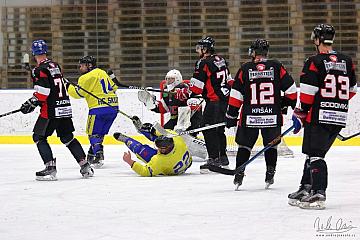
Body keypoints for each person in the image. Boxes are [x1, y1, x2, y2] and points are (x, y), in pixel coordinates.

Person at [288, 24, 357, 209]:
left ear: (317, 40)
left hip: (319, 116)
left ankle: (318, 193)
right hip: (339, 117)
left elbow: (309, 93)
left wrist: (300, 113)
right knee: (313, 153)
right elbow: (352, 90)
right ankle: (306, 187)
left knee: (316, 155)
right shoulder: (347, 60)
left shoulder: (314, 61)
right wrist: (336, 103)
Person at [225, 39, 297, 190]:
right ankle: (270, 173)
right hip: (272, 117)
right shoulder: (276, 66)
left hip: (249, 116)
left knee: (244, 146)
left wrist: (231, 116)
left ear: (253, 52)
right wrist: (283, 105)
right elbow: (291, 91)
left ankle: (239, 174)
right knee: (271, 146)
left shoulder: (245, 68)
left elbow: (236, 95)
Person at [20, 39, 94, 181]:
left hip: (51, 109)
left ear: (33, 53)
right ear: (46, 51)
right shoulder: (55, 65)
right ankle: (85, 166)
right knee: (67, 137)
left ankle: (50, 168)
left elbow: (43, 93)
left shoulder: (38, 70)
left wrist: (31, 102)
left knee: (38, 137)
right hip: (64, 107)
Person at [174, 36, 234, 172]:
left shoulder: (203, 63)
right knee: (219, 129)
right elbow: (230, 81)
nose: (198, 51)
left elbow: (197, 88)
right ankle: (223, 158)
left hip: (214, 102)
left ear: (206, 49)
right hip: (225, 100)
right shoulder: (221, 60)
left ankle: (214, 160)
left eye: (200, 48)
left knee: (207, 129)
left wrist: (184, 92)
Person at [67, 56, 119, 168]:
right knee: (100, 133)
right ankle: (91, 154)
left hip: (98, 109)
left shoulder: (86, 77)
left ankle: (98, 154)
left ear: (89, 65)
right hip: (113, 108)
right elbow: (114, 88)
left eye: (82, 65)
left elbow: (78, 93)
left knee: (92, 133)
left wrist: (68, 87)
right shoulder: (103, 73)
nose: (80, 67)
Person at [113, 119, 192, 177]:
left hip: (166, 166)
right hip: (185, 162)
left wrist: (130, 161)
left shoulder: (159, 161)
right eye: (158, 147)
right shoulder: (176, 138)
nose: (158, 149)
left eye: (161, 148)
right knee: (158, 137)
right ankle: (142, 129)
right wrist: (153, 130)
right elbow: (164, 133)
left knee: (140, 150)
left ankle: (127, 140)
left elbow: (145, 171)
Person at [138, 69, 202, 136]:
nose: (168, 81)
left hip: (189, 122)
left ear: (177, 79)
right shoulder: (167, 91)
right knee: (162, 133)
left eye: (171, 79)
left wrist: (188, 97)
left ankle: (186, 131)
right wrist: (151, 103)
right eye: (167, 79)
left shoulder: (185, 87)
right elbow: (164, 107)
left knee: (186, 107)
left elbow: (196, 97)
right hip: (174, 120)